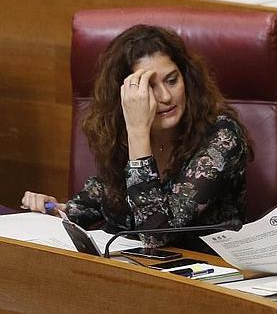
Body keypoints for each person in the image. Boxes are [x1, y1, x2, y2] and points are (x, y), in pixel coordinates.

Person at [20, 25, 251, 251]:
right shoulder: (119, 134)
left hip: (204, 276)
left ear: (186, 79)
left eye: (172, 80)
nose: (165, 96)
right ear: (125, 95)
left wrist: (138, 133)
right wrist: (53, 209)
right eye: (149, 87)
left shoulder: (221, 136)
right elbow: (93, 203)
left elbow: (156, 234)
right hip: (135, 271)